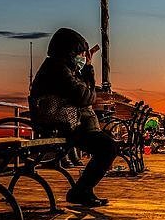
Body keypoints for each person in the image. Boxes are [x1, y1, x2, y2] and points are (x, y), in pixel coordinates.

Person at [29, 27, 117, 207]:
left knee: (107, 144)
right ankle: (81, 191)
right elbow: (85, 97)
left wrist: (87, 72)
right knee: (108, 147)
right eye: (79, 53)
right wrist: (89, 73)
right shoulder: (58, 69)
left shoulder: (62, 68)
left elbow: (86, 95)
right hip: (62, 126)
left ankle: (82, 190)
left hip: (67, 125)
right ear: (68, 51)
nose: (82, 57)